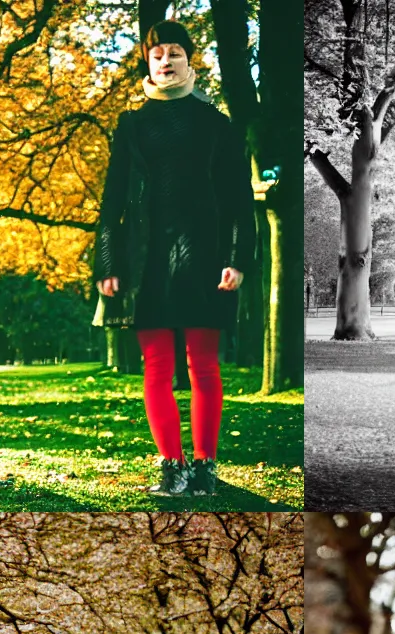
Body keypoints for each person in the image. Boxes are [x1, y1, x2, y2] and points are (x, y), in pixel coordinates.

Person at [92, 20, 253, 498]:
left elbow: (239, 200)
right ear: (148, 62)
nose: (166, 61)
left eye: (175, 53)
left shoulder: (216, 124)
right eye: (157, 53)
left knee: (204, 366)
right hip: (146, 262)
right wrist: (107, 263)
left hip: (206, 258)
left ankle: (204, 467)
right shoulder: (131, 125)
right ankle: (171, 466)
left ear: (190, 61)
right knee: (157, 367)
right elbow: (112, 202)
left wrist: (237, 257)